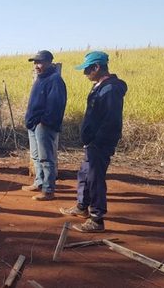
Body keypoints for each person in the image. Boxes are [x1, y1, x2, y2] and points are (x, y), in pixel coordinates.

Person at [60, 51, 127, 233]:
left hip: (100, 143)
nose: (85, 73)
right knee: (84, 174)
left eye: (88, 69)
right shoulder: (99, 86)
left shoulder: (111, 89)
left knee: (95, 179)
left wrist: (97, 140)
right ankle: (82, 207)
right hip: (92, 143)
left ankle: (97, 220)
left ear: (97, 67)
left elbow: (111, 120)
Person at [22, 50, 67, 201]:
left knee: (46, 159)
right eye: (35, 62)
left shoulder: (55, 80)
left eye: (39, 62)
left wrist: (44, 122)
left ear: (49, 62)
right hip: (34, 124)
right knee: (36, 157)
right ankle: (39, 182)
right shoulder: (40, 78)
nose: (36, 65)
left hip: (44, 125)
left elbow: (55, 105)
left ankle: (48, 190)